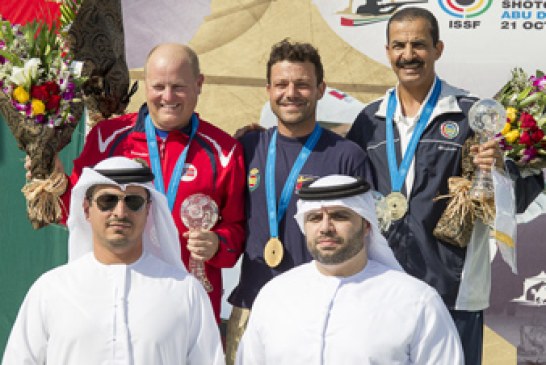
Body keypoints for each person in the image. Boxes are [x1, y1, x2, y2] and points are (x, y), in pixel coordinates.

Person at [346, 7, 545, 364]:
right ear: (388, 51)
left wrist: (499, 170)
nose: (408, 55)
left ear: (438, 49)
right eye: (399, 46)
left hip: (454, 292)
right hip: (383, 285)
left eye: (419, 45)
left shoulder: (472, 114)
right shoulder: (369, 120)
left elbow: (517, 199)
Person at [26, 43, 246, 322]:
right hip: (115, 295)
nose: (168, 97)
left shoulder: (224, 151)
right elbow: (75, 212)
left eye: (178, 86)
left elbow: (237, 231)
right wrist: (51, 181)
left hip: (187, 301)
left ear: (199, 84)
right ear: (145, 84)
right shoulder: (108, 138)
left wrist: (217, 244)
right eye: (158, 86)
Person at [225, 39, 370, 364]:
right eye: (281, 84)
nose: (291, 93)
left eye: (302, 84)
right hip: (253, 307)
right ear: (268, 90)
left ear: (320, 89)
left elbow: (367, 243)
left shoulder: (348, 157)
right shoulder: (246, 148)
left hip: (323, 314)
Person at [3, 157, 224, 364]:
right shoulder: (51, 289)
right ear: (87, 210)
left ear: (148, 210)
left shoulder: (185, 291)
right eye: (107, 201)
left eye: (133, 201)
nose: (120, 212)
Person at [235, 175, 463, 364]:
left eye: (339, 216)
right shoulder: (275, 296)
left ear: (366, 225)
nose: (325, 228)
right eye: (315, 218)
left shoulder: (415, 301)